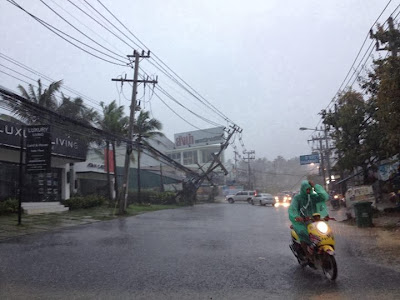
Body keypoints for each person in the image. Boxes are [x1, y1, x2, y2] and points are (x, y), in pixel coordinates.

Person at [288, 180, 329, 260]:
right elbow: (293, 208)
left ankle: (318, 247)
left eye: (309, 189)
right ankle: (307, 254)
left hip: (314, 220)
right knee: (303, 233)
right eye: (306, 189)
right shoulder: (297, 198)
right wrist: (296, 216)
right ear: (303, 189)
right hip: (301, 222)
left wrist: (315, 187)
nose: (308, 191)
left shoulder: (313, 197)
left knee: (323, 232)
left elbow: (324, 197)